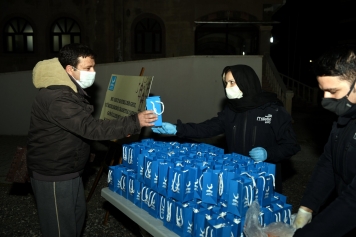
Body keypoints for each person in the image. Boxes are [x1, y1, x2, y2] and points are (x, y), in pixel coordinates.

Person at [26, 43, 157, 237]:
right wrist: (134, 122)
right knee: (60, 230)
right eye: (88, 68)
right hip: (54, 174)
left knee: (75, 218)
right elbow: (90, 128)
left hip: (68, 169)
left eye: (93, 66)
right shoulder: (58, 98)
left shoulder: (69, 90)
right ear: (70, 69)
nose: (93, 72)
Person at [151, 64, 301, 192]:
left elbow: (291, 145)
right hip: (236, 177)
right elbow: (207, 128)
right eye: (226, 83)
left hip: (264, 179)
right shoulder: (231, 111)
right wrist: (177, 129)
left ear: (245, 82)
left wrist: (268, 153)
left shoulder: (273, 110)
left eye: (231, 82)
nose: (227, 87)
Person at [293, 45, 356, 236]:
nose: (325, 99)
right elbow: (328, 162)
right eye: (323, 91)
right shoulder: (345, 115)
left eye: (333, 91)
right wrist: (307, 208)